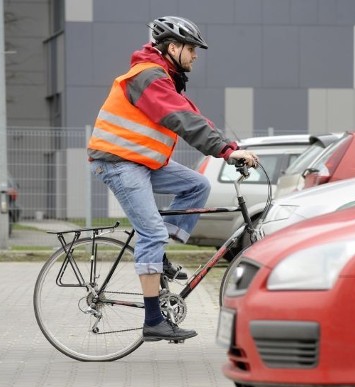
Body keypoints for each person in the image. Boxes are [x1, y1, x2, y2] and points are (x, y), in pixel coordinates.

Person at [86, 16, 258, 342]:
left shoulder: (166, 77)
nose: (195, 55)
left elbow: (192, 116)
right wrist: (224, 150)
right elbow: (181, 119)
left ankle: (159, 256)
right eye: (191, 49)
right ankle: (153, 320)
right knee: (150, 231)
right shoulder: (147, 77)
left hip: (142, 162)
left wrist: (231, 148)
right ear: (173, 47)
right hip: (118, 163)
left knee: (198, 185)